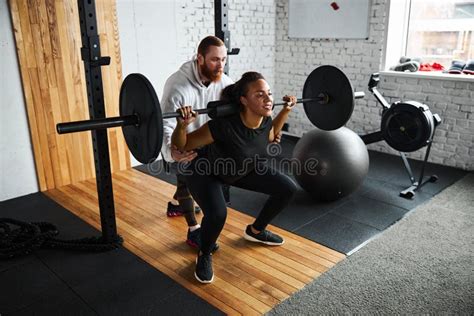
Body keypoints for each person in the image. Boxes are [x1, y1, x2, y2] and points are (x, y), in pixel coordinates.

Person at [171, 72, 298, 283]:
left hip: (241, 169)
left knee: (287, 188)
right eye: (259, 95)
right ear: (243, 100)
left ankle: (256, 231)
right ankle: (204, 253)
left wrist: (285, 110)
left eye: (269, 93)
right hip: (206, 172)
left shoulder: (265, 121)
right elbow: (182, 145)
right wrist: (182, 125)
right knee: (218, 214)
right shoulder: (222, 126)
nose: (268, 100)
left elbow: (271, 132)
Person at [161, 36, 234, 249]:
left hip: (207, 142)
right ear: (200, 58)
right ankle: (194, 231)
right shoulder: (178, 87)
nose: (221, 65)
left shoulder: (225, 82)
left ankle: (174, 206)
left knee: (207, 180)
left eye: (223, 59)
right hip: (184, 144)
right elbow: (165, 123)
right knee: (186, 177)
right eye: (214, 60)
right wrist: (171, 152)